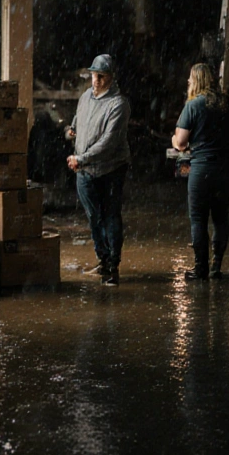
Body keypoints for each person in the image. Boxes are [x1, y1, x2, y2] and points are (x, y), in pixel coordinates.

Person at [66, 54, 131, 286]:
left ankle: (113, 265)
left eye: (101, 76)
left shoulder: (118, 104)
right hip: (84, 170)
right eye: (94, 75)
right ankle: (103, 260)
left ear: (111, 78)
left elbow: (108, 143)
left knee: (110, 216)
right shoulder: (85, 97)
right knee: (94, 217)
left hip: (110, 170)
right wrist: (71, 131)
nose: (96, 80)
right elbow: (76, 122)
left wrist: (81, 158)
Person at [171, 63, 229, 280]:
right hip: (226, 168)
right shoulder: (227, 103)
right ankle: (216, 266)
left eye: (191, 78)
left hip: (203, 169)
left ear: (197, 80)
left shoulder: (193, 105)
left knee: (199, 219)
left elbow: (181, 143)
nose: (188, 82)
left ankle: (200, 269)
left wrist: (175, 140)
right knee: (221, 218)